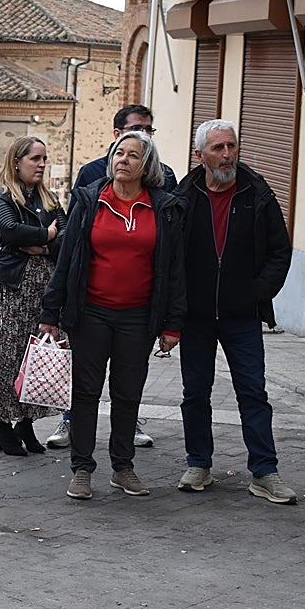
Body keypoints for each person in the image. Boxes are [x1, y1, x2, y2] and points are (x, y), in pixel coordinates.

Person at [39, 131, 185, 501]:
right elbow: (67, 260)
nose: (124, 160)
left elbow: (175, 271)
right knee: (85, 393)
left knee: (127, 393)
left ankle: (123, 467)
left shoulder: (163, 208)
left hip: (138, 317)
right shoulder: (90, 201)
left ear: (145, 165)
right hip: (90, 313)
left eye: (133, 155)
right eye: (119, 153)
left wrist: (172, 324)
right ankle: (82, 469)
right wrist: (50, 313)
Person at [174, 119, 296, 504]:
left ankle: (264, 471)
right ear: (200, 155)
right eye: (218, 148)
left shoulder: (257, 193)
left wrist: (256, 294)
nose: (227, 155)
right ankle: (199, 463)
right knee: (195, 392)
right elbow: (171, 259)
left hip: (241, 316)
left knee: (252, 392)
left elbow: (280, 251)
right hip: (196, 317)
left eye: (231, 146)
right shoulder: (184, 197)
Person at [0, 136, 67, 456]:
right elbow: (9, 231)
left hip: (41, 294)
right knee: (6, 360)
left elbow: (66, 239)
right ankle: (3, 427)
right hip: (6, 292)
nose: (42, 164)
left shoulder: (51, 199)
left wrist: (43, 243)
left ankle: (26, 424)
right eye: (35, 159)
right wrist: (48, 234)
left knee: (37, 359)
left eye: (44, 158)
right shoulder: (1, 197)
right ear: (17, 161)